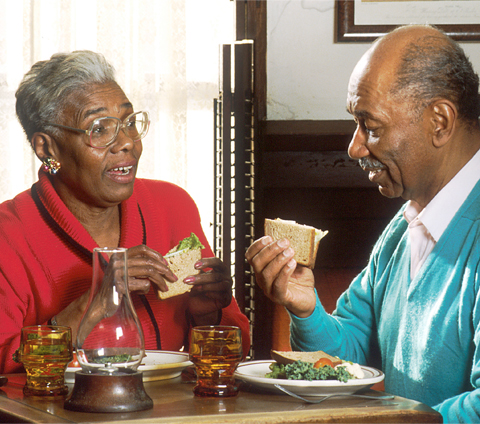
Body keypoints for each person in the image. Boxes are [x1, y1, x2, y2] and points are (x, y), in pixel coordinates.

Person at [246, 24, 480, 423]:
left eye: (371, 126)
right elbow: (349, 358)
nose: (354, 147)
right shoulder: (403, 228)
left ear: (439, 122)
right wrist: (306, 309)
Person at [0, 50, 250, 374]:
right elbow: (4, 364)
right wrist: (92, 305)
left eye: (129, 123)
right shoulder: (9, 234)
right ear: (47, 148)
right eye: (99, 129)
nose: (127, 142)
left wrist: (206, 316)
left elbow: (237, 348)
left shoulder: (173, 206)